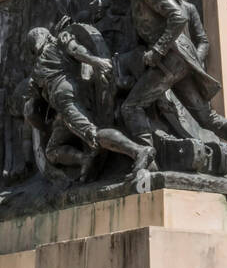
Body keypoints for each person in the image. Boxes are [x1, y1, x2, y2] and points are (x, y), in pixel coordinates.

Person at [95, 0, 227, 180]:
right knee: (207, 118)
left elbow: (177, 17)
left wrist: (158, 49)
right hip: (178, 61)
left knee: (131, 107)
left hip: (169, 59)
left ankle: (145, 161)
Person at [22, 24, 154, 182]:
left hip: (67, 100)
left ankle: (138, 151)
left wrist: (97, 62)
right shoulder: (48, 56)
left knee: (92, 134)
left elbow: (77, 51)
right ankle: (83, 159)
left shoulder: (55, 48)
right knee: (51, 151)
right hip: (65, 109)